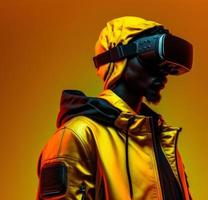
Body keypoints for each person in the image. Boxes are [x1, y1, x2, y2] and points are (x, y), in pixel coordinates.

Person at [36, 16, 193, 200]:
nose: (161, 73)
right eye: (150, 60)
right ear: (118, 59)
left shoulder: (162, 141)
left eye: (165, 66)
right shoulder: (77, 136)